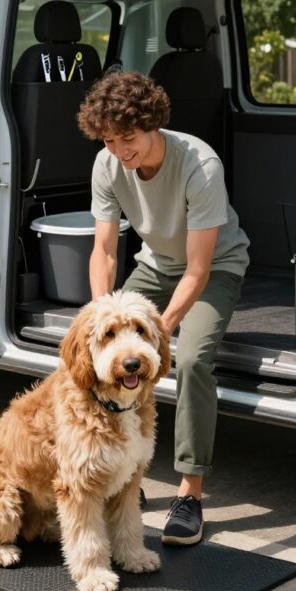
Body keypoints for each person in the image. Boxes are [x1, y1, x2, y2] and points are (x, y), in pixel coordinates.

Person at [77, 70, 250, 545]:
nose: (119, 150)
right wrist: (102, 321)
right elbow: (106, 252)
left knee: (189, 359)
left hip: (214, 268)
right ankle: (118, 468)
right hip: (154, 267)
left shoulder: (200, 165)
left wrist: (161, 329)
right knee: (108, 358)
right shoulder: (107, 164)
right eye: (109, 140)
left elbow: (197, 269)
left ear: (152, 123)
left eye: (127, 138)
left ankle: (189, 493)